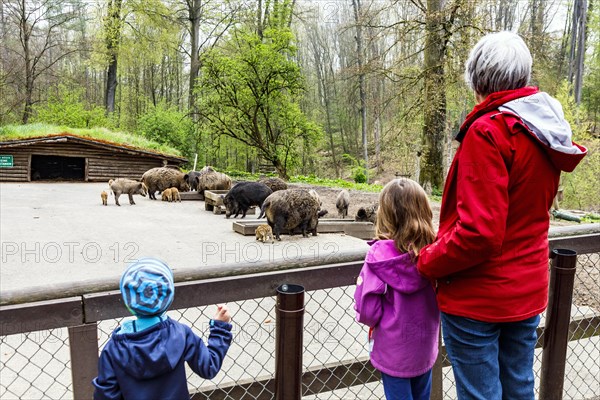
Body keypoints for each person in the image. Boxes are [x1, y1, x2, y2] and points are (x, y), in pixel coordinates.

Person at [417, 31, 587, 400]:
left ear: (477, 79)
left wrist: (427, 260)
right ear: (523, 77)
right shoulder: (544, 129)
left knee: (482, 395)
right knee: (519, 388)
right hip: (525, 291)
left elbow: (480, 233)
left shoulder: (490, 131)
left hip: (479, 297)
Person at [93, 258, 233, 400]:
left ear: (127, 300)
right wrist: (220, 328)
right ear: (168, 298)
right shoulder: (180, 334)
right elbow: (208, 367)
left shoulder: (113, 349)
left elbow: (106, 395)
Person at [354, 178, 440, 400]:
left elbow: (368, 311)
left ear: (386, 214)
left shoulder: (378, 257)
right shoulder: (433, 251)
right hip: (424, 347)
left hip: (394, 351)